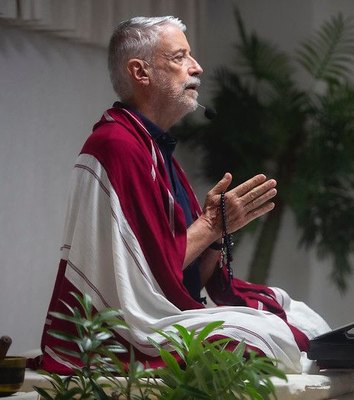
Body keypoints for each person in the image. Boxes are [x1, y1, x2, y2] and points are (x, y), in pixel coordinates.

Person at [38, 16, 330, 374]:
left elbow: (188, 276)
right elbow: (148, 275)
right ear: (140, 72)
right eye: (180, 57)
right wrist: (210, 224)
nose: (197, 67)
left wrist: (217, 233)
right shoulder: (116, 146)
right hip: (124, 329)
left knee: (302, 317)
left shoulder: (155, 151)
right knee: (268, 337)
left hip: (165, 310)